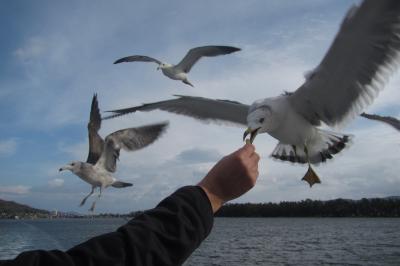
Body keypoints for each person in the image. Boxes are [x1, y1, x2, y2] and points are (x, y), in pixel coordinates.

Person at [0, 143, 260, 266]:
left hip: (108, 179)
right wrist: (212, 193)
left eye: (70, 165)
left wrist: (209, 194)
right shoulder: (79, 171)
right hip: (188, 208)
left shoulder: (91, 164)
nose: (68, 167)